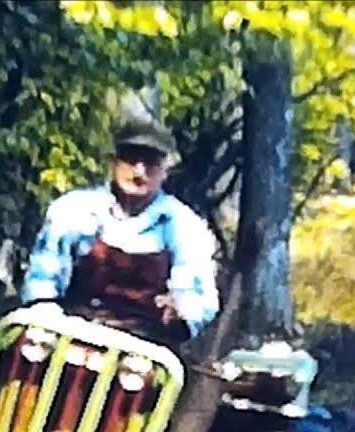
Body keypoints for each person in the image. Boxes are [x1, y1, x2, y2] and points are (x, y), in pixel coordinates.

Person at [20, 115, 221, 346]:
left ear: (165, 169)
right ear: (113, 161)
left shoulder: (184, 226)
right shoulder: (73, 209)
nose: (139, 171)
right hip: (67, 333)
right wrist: (45, 316)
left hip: (141, 351)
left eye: (151, 162)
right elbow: (44, 277)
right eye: (131, 158)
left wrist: (180, 312)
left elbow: (196, 295)